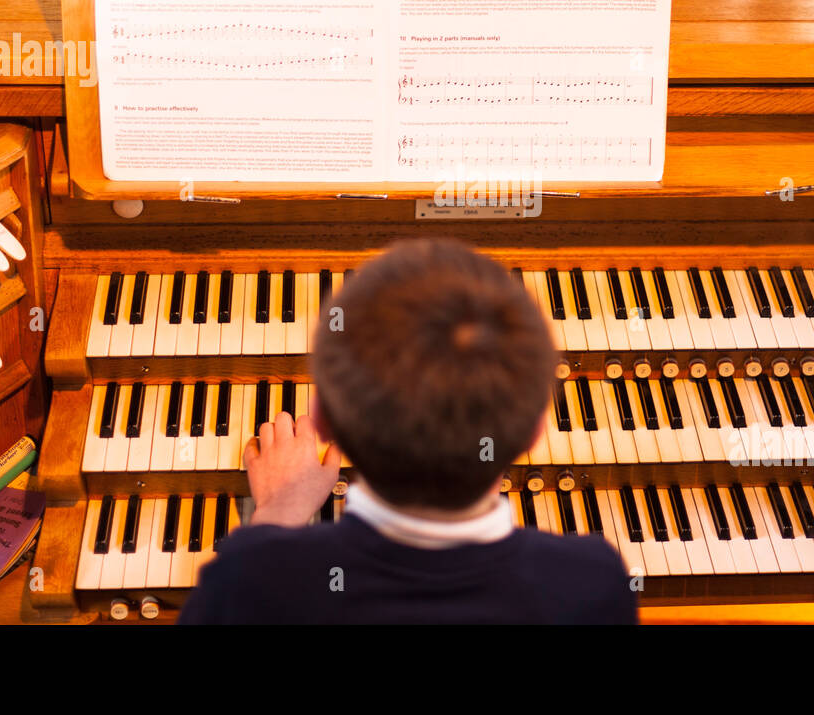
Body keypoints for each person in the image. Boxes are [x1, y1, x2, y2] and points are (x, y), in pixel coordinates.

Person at [179, 238, 637, 624]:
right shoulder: (592, 583)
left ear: (321, 420)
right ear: (537, 429)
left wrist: (279, 512)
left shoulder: (243, 584)